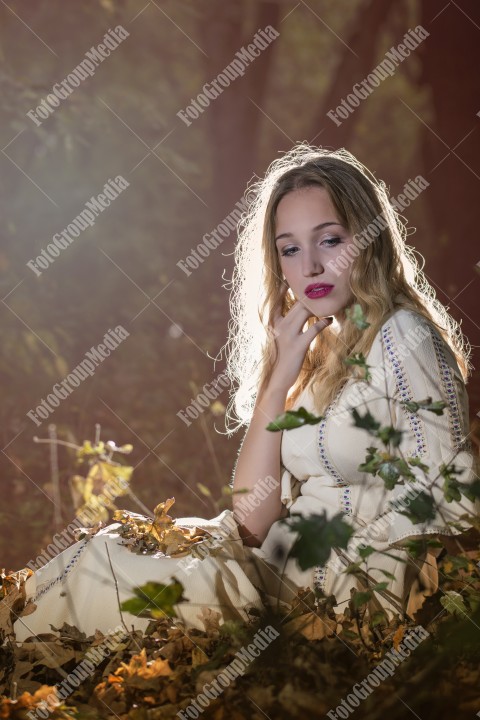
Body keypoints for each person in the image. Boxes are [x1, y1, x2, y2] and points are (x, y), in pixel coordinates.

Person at [13, 144, 478, 643]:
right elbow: (252, 522)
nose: (311, 267)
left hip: (338, 589)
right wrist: (279, 377)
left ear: (369, 239)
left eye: (330, 240)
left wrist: (356, 547)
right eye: (291, 249)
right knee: (101, 555)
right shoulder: (326, 352)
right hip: (274, 563)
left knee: (129, 583)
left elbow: (456, 494)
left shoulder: (404, 336)